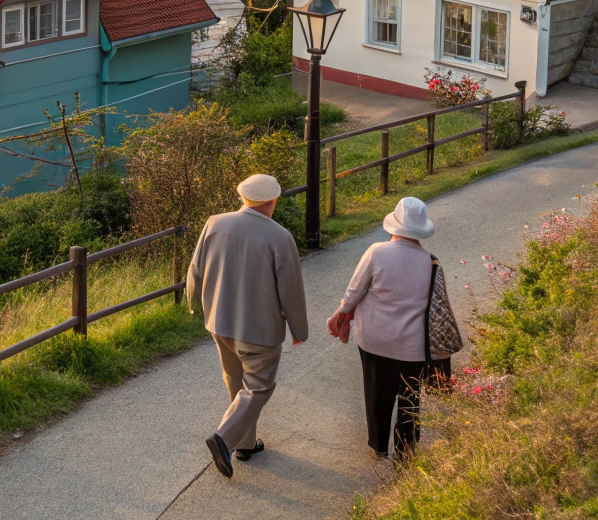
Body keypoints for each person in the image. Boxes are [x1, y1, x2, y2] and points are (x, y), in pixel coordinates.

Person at [184, 173, 309, 478]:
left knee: (235, 379)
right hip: (259, 331)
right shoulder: (280, 237)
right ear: (273, 201)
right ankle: (224, 440)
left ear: (244, 198)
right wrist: (299, 330)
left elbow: (195, 268)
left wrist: (192, 303)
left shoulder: (215, 222)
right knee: (258, 387)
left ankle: (246, 443)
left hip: (219, 321)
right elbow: (290, 289)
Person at [327, 196, 452, 458]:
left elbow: (354, 293)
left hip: (375, 342)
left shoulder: (376, 252)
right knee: (410, 399)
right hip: (414, 347)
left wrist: (340, 316)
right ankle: (405, 449)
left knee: (377, 395)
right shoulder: (432, 263)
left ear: (393, 226)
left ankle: (379, 445)